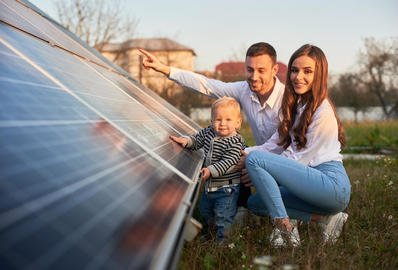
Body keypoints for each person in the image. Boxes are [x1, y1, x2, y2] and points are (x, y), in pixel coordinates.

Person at [140, 42, 284, 213]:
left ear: (274, 70)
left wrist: (257, 163)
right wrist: (165, 69)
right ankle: (238, 209)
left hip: (291, 162)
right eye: (249, 69)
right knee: (237, 161)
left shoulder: (287, 99)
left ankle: (292, 219)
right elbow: (207, 85)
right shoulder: (244, 90)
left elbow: (288, 144)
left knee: (246, 159)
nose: (253, 76)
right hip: (259, 157)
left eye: (261, 70)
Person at [237, 44, 351, 247]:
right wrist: (241, 154)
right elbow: (276, 143)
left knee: (256, 162)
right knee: (256, 203)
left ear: (320, 74)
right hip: (308, 181)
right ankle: (327, 219)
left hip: (330, 185)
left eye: (307, 71)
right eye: (295, 70)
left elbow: (298, 159)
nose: (298, 77)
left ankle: (285, 229)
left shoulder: (322, 111)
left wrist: (255, 166)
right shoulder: (299, 105)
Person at [170, 97, 246, 243]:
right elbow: (197, 140)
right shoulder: (209, 132)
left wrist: (210, 170)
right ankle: (212, 232)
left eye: (228, 120)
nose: (222, 123)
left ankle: (222, 243)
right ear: (211, 121)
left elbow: (229, 161)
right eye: (218, 119)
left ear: (238, 122)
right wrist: (186, 141)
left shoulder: (236, 142)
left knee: (223, 216)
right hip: (209, 187)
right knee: (205, 209)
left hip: (227, 189)